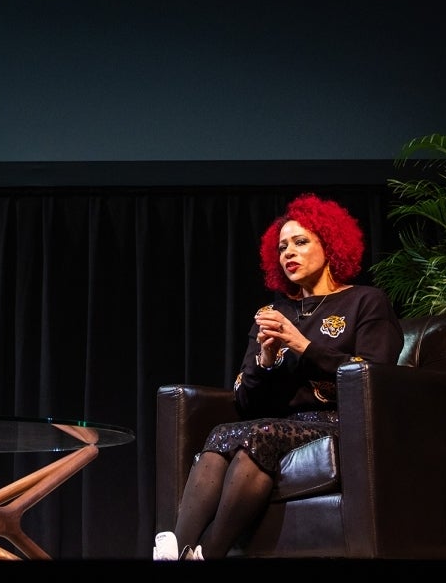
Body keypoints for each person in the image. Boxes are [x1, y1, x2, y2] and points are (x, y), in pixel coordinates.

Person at [153, 193, 402, 561]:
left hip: (342, 425)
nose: (289, 253)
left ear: (330, 245)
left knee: (260, 435)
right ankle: (178, 550)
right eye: (282, 246)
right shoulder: (273, 312)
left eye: (301, 242)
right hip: (281, 425)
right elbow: (247, 404)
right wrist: (266, 361)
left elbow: (373, 374)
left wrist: (302, 346)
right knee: (225, 433)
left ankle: (209, 553)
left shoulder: (365, 301)